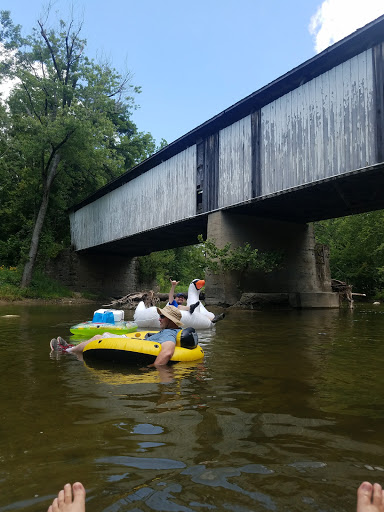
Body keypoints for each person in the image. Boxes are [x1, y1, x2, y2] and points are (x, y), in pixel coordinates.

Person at [50, 305, 184, 366]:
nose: (159, 319)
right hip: (139, 341)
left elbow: (167, 352)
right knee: (105, 333)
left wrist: (154, 367)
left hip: (136, 345)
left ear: (171, 321)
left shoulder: (169, 333)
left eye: (162, 316)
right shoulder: (171, 331)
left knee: (98, 338)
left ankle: (66, 351)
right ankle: (72, 347)